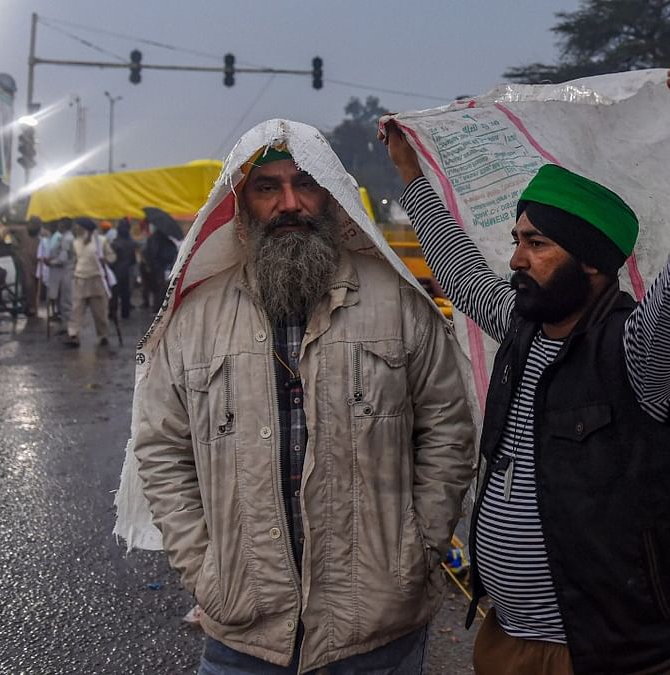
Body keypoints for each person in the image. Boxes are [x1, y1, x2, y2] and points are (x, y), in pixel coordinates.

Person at [382, 56, 670, 674]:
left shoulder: (634, 353)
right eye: (517, 240)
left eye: (537, 244)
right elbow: (459, 272)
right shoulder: (523, 328)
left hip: (597, 655)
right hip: (507, 636)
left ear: (594, 262)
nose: (516, 259)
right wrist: (413, 177)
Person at [131, 128, 476, 674]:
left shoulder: (398, 305)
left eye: (305, 184)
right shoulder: (196, 322)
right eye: (268, 187)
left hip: (375, 629)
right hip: (244, 634)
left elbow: (448, 432)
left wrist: (418, 551)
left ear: (332, 198)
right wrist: (206, 571)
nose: (289, 204)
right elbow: (162, 451)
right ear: (241, 207)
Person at [64, 217, 115, 347]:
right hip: (80, 279)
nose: (75, 228)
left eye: (78, 226)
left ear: (84, 228)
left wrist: (105, 259)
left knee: (100, 311)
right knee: (76, 310)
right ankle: (73, 334)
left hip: (96, 279)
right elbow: (75, 259)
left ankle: (103, 335)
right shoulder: (76, 242)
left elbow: (112, 257)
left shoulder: (101, 242)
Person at [140, 207, 181, 311]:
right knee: (160, 288)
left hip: (157, 267)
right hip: (162, 266)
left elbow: (152, 253)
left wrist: (151, 264)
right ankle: (158, 307)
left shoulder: (154, 238)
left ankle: (157, 307)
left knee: (157, 288)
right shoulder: (165, 238)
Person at [108, 218, 137, 319]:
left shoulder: (115, 243)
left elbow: (110, 259)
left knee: (114, 293)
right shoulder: (131, 243)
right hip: (127, 271)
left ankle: (113, 313)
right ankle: (125, 313)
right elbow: (133, 260)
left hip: (116, 270)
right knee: (126, 293)